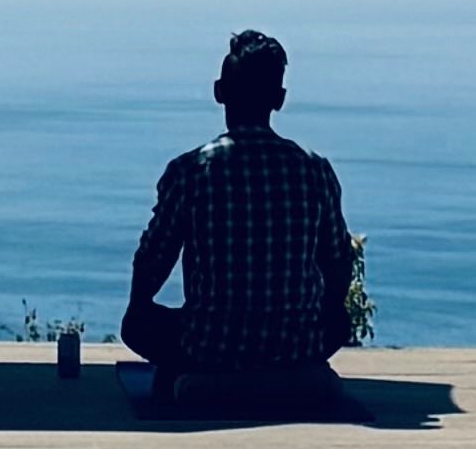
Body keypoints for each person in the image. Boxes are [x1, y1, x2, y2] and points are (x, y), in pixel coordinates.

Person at [123, 29, 352, 414]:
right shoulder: (315, 171)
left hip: (210, 347)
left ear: (219, 92)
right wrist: (324, 313)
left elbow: (152, 262)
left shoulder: (191, 171)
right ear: (279, 100)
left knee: (138, 325)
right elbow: (338, 263)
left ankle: (196, 380)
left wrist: (139, 306)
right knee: (338, 323)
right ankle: (293, 378)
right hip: (298, 346)